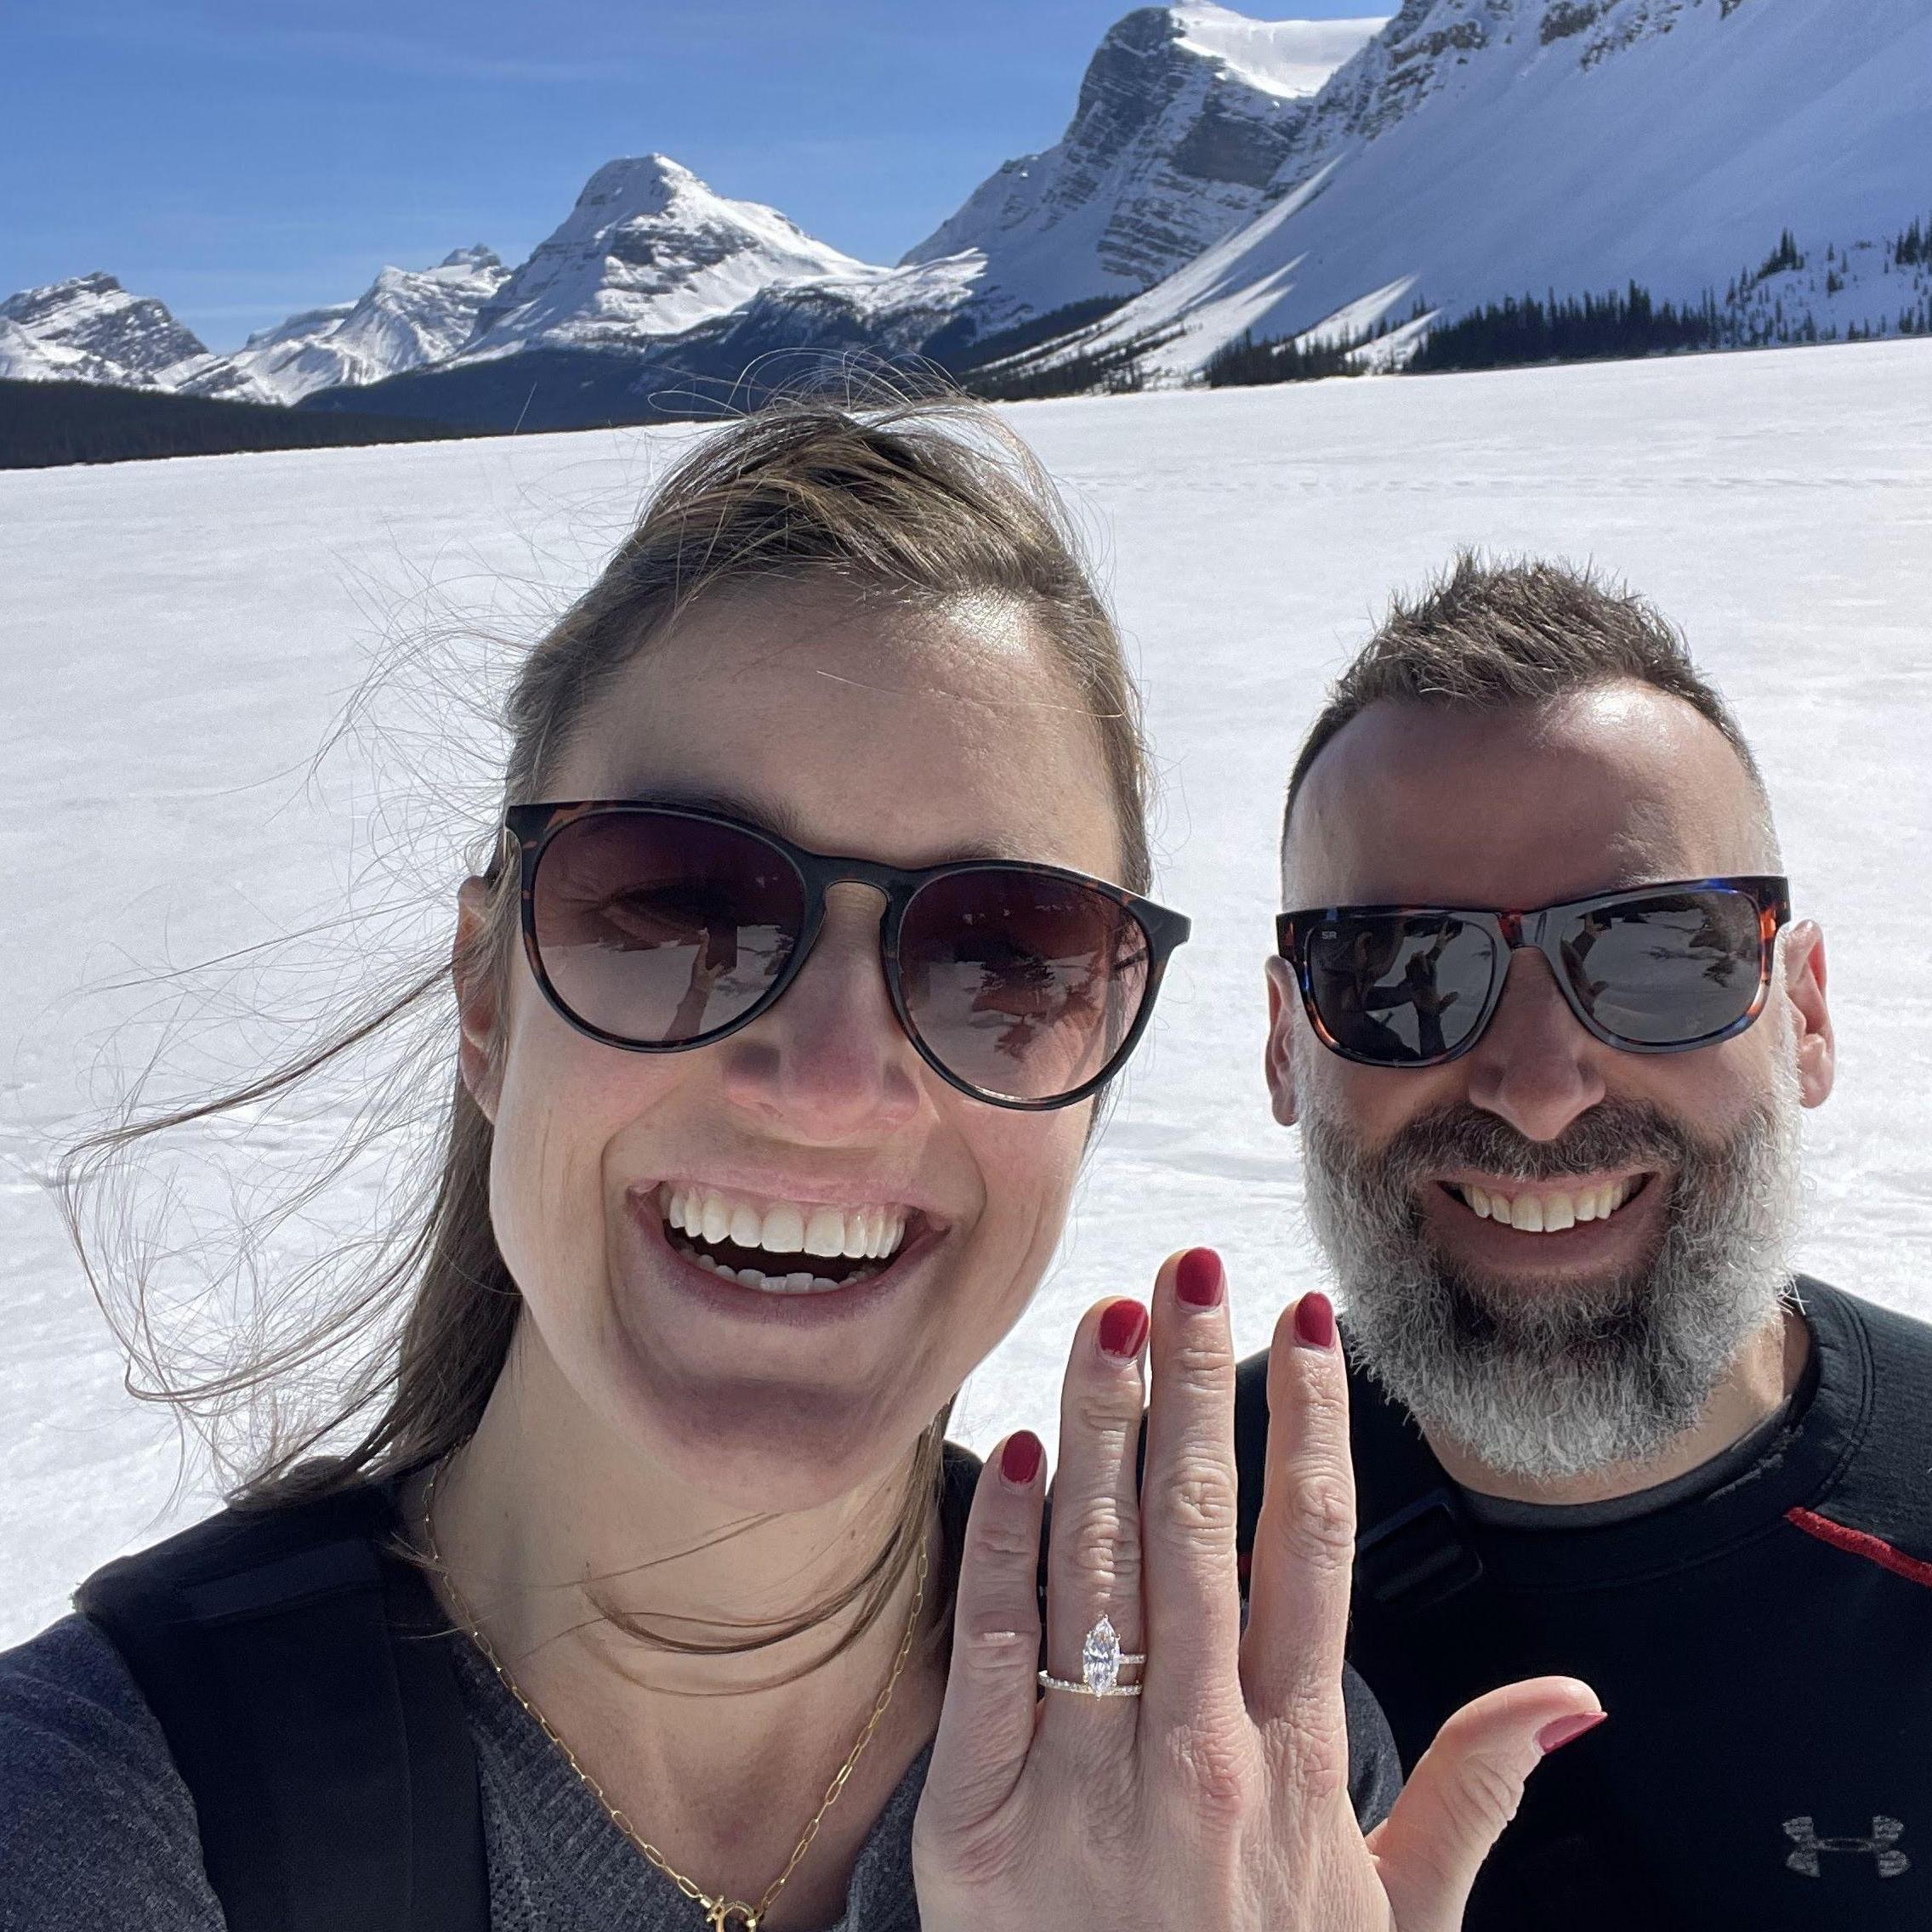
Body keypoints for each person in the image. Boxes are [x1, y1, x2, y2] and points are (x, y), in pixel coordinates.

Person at [0, 401, 1597, 1932]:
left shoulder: (1238, 1779)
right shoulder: (104, 1822)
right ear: (487, 997)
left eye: (1004, 955)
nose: (830, 1086)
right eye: (676, 906)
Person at [1242, 554, 1932, 1931]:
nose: (1541, 1079)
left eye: (1658, 953)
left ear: (1803, 1012)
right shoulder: (1131, 1565)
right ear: (1284, 1045)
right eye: (1400, 969)